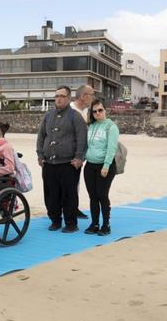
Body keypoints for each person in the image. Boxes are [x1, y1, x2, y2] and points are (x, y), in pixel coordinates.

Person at [36, 86, 87, 233]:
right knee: (51, 195)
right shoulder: (48, 115)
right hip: (49, 163)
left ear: (69, 98)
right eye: (57, 95)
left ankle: (71, 223)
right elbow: (41, 136)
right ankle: (55, 221)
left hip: (68, 164)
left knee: (69, 195)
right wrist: (40, 155)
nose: (58, 98)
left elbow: (82, 138)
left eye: (62, 96)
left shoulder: (75, 116)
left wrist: (79, 158)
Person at [82, 99, 119, 236]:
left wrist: (106, 166)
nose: (98, 113)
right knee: (93, 197)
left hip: (105, 167)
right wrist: (81, 160)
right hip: (90, 166)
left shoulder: (111, 127)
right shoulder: (91, 127)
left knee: (102, 196)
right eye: (95, 111)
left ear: (105, 110)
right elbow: (88, 147)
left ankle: (106, 224)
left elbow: (111, 148)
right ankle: (94, 223)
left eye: (100, 110)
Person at [70, 85, 95, 219]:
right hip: (69, 152)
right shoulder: (70, 110)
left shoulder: (86, 112)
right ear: (83, 96)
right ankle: (68, 208)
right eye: (92, 94)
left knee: (75, 182)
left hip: (81, 153)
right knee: (68, 182)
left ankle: (74, 207)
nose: (93, 97)